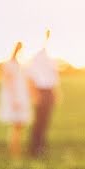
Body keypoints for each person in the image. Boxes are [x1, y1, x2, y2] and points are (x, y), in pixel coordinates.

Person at [26, 29, 59, 157]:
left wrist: (55, 93)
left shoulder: (51, 59)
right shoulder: (36, 58)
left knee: (45, 121)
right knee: (38, 121)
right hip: (40, 91)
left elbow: (54, 77)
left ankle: (42, 145)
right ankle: (34, 148)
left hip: (49, 91)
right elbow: (30, 78)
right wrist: (34, 94)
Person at [0, 41, 31, 157]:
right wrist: (14, 100)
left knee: (18, 126)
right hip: (14, 98)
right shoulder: (9, 65)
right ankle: (14, 150)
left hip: (19, 97)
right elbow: (8, 84)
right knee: (16, 125)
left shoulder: (19, 64)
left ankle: (15, 149)